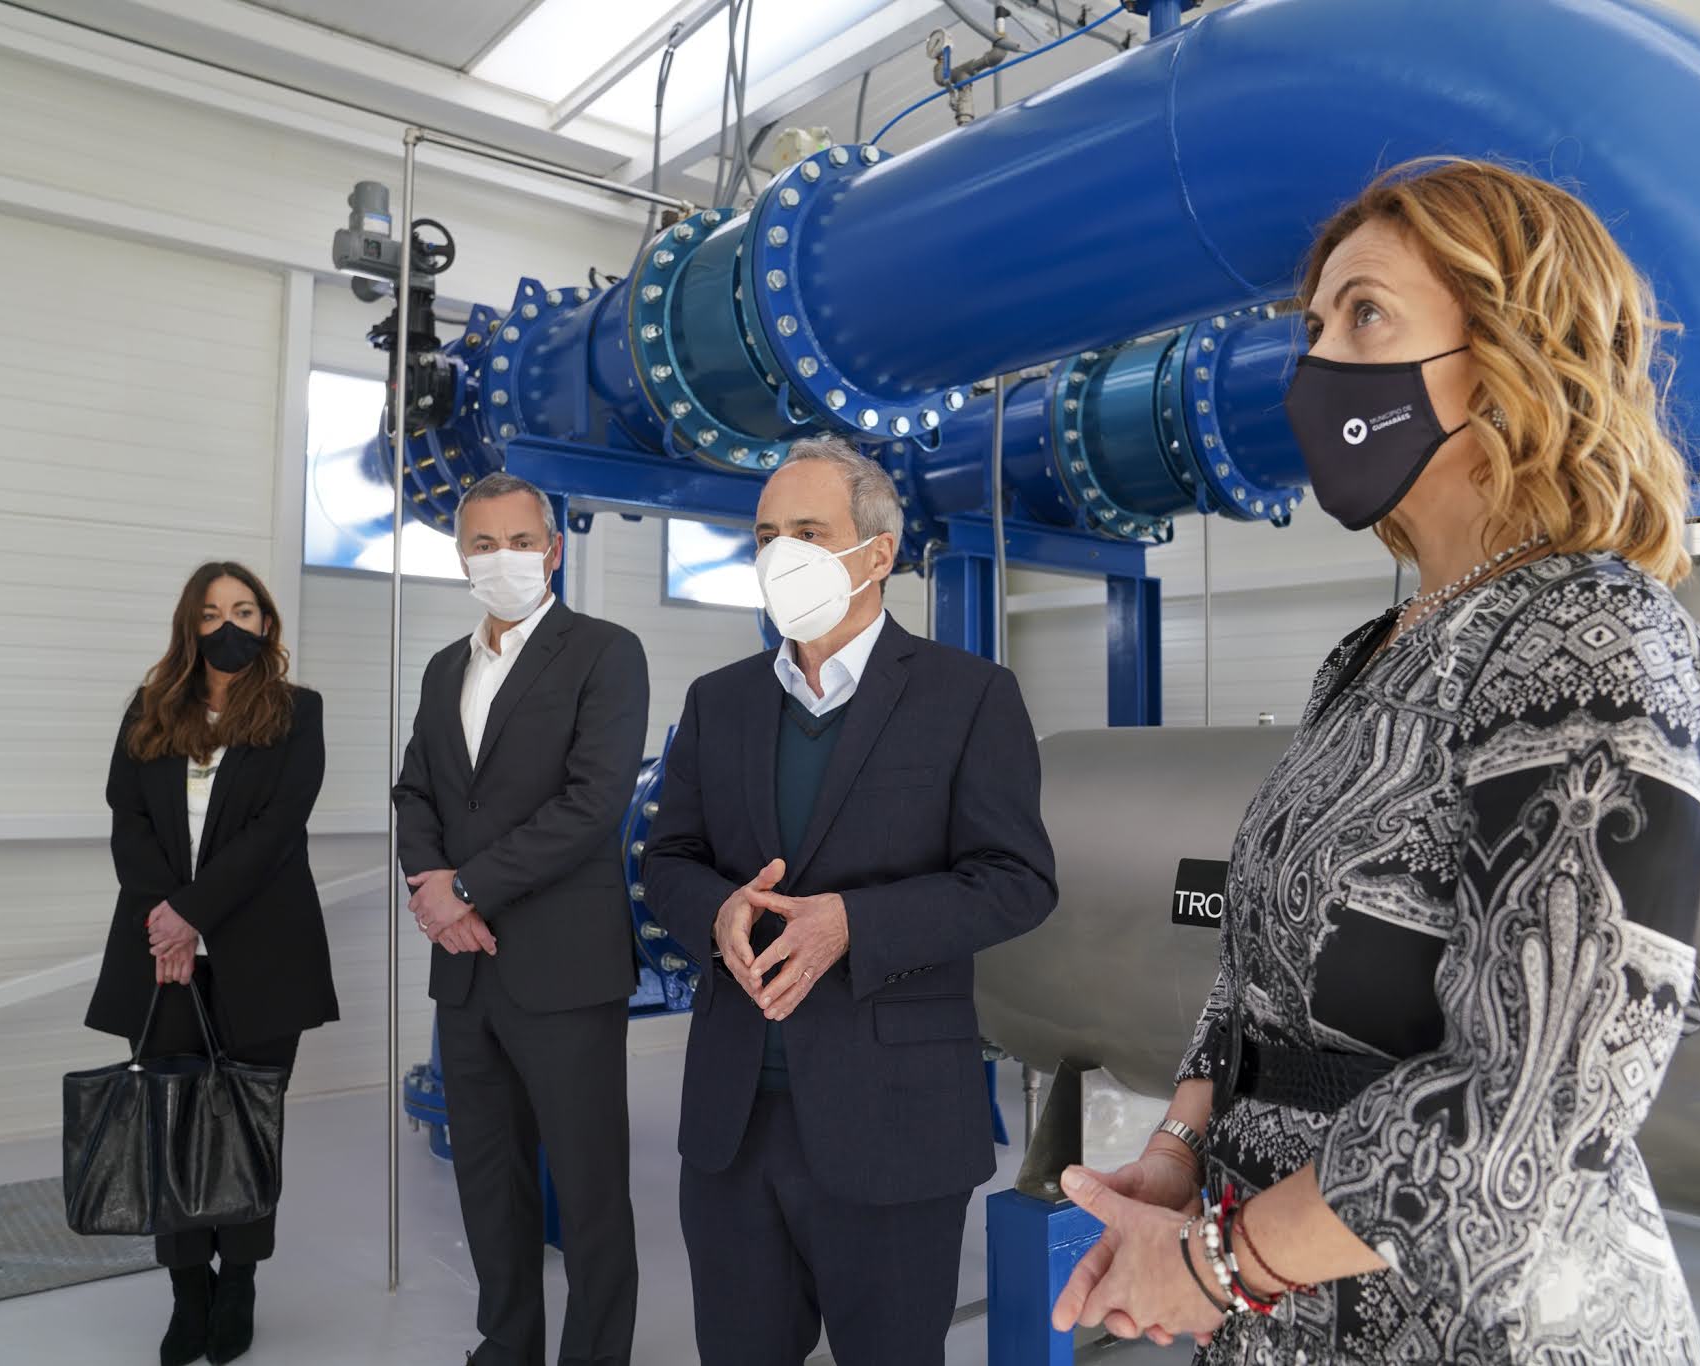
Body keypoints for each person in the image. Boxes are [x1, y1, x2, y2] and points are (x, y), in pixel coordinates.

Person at [1049, 157, 1700, 1364]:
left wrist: (1219, 1265)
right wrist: (1178, 1151)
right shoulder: (1370, 652)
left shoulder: (1591, 636)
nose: (1316, 362)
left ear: (1517, 351)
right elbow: (1255, 967)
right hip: (1284, 1293)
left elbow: (1539, 1101)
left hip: (1483, 1319)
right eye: (1313, 327)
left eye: (1363, 313)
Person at [643, 436, 1059, 1366]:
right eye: (765, 535)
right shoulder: (718, 702)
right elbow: (669, 857)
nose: (780, 554)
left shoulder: (969, 697)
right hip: (735, 1121)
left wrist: (854, 924)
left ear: (878, 554)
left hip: (894, 1123)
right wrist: (716, 911)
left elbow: (1017, 880)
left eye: (808, 531)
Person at [392, 472, 649, 1366]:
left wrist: (464, 890)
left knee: (589, 1189)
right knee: (488, 1178)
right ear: (461, 557)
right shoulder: (444, 669)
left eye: (520, 542)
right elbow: (416, 791)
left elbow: (593, 802)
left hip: (564, 970)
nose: (502, 558)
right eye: (483, 544)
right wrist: (433, 886)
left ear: (554, 550)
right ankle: (506, 1345)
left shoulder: (605, 653)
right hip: (467, 974)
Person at [86, 561, 336, 1366]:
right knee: (172, 1129)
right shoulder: (150, 708)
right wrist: (169, 923)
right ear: (188, 626)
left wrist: (192, 913)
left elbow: (276, 830)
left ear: (266, 623)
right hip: (164, 956)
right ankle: (187, 1293)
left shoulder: (297, 711)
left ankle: (240, 1285)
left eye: (244, 610)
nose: (229, 624)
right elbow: (128, 820)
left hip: (263, 952)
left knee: (247, 1128)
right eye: (211, 612)